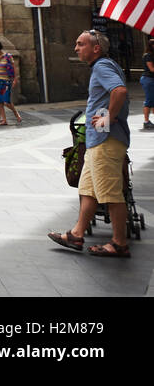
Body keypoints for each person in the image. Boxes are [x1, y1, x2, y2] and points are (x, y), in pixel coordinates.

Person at [49, 30, 132, 258]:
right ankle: (76, 234)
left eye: (80, 44)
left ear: (96, 48)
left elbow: (120, 90)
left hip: (106, 140)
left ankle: (118, 243)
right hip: (98, 140)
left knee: (110, 193)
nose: (76, 48)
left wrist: (109, 117)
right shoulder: (103, 66)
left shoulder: (102, 66)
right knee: (88, 190)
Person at [0, 40, 24, 125]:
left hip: (5, 81)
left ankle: (16, 113)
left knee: (6, 102)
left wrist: (15, 79)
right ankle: (4, 120)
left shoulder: (7, 56)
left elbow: (13, 67)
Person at [142, 39, 154, 132]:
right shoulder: (148, 56)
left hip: (151, 79)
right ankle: (146, 122)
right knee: (149, 100)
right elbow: (151, 69)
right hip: (148, 79)